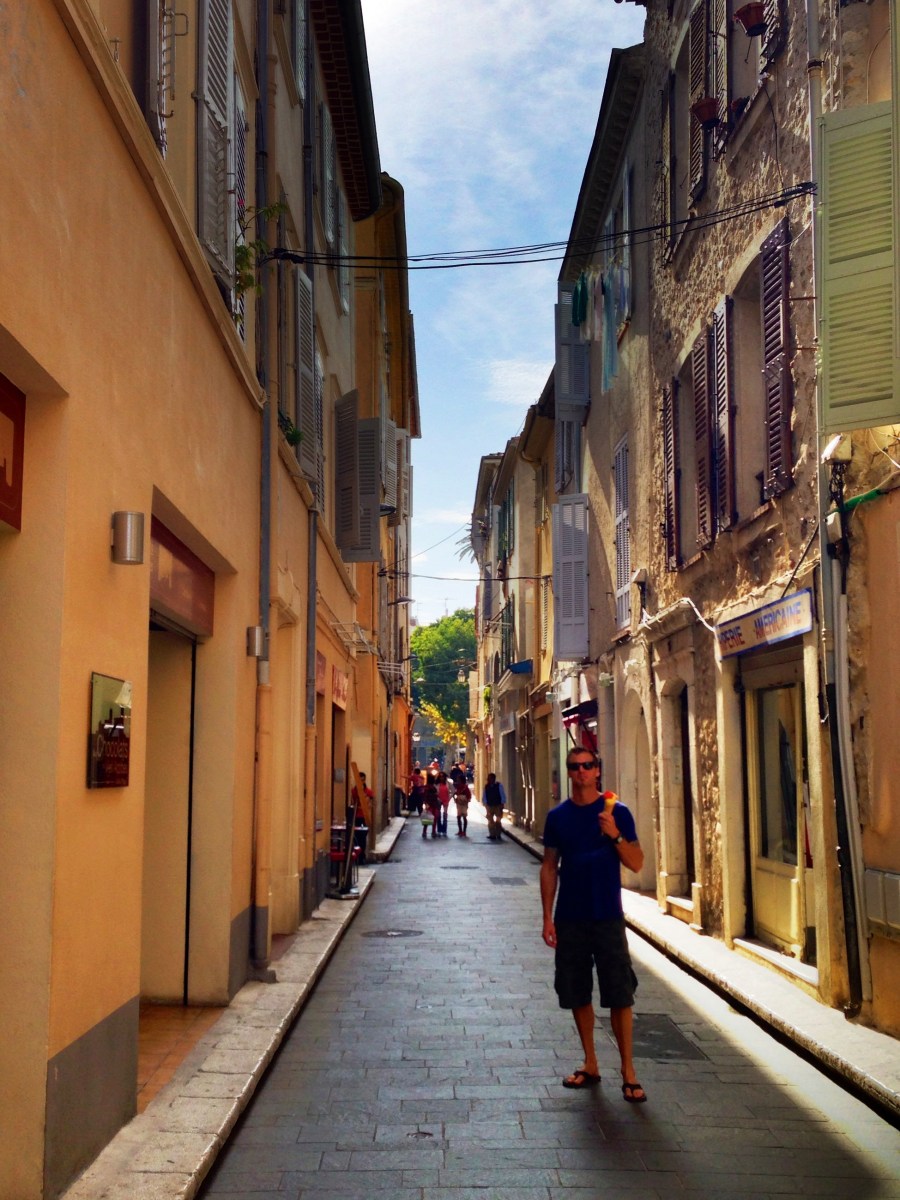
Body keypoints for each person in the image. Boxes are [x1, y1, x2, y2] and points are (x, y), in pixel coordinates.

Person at [540, 748, 647, 1103]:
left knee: (620, 992)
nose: (581, 771)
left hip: (607, 916)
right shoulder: (558, 817)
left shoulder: (617, 812)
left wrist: (615, 835)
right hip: (570, 916)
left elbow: (636, 862)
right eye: (575, 767)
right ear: (569, 772)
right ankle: (590, 1062)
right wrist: (547, 916)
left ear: (597, 770)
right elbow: (549, 866)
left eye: (587, 765)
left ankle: (628, 1071)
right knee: (577, 991)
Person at [482, 773, 506, 841]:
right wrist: (485, 804)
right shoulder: (486, 786)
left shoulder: (499, 786)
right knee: (490, 820)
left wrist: (502, 803)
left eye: (490, 778)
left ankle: (498, 834)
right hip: (489, 805)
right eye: (488, 778)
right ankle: (492, 834)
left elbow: (502, 794)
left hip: (498, 805)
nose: (488, 780)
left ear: (493, 779)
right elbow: (484, 796)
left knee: (498, 820)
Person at [436, 771, 451, 837]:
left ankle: (444, 830)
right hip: (438, 801)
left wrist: (449, 797)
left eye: (442, 776)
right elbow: (435, 792)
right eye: (440, 776)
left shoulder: (448, 783)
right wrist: (437, 798)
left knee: (445, 815)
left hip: (445, 800)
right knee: (438, 816)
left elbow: (453, 790)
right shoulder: (436, 784)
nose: (441, 778)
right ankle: (439, 830)